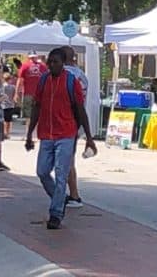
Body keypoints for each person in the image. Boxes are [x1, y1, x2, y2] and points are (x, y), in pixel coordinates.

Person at [26, 48, 96, 230]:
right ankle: (61, 198)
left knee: (61, 173)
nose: (51, 65)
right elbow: (36, 107)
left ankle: (56, 213)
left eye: (55, 62)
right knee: (42, 171)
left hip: (66, 133)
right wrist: (29, 133)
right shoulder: (43, 80)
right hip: (46, 134)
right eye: (49, 62)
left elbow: (80, 109)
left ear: (63, 63)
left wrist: (89, 137)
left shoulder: (72, 81)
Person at [61, 45, 90, 209]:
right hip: (77, 121)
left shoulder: (65, 75)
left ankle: (73, 195)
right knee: (67, 158)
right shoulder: (82, 76)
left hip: (65, 121)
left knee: (65, 160)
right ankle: (70, 193)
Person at [17, 52, 47, 142]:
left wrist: (17, 92)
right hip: (39, 94)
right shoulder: (42, 66)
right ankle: (35, 135)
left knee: (29, 116)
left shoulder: (25, 66)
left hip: (30, 94)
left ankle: (29, 135)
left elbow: (20, 80)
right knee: (37, 115)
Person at [2, 71, 16, 139]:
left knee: (4, 120)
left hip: (3, 105)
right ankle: (7, 133)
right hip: (10, 105)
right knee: (9, 121)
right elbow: (14, 96)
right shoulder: (13, 87)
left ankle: (4, 133)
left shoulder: (2, 86)